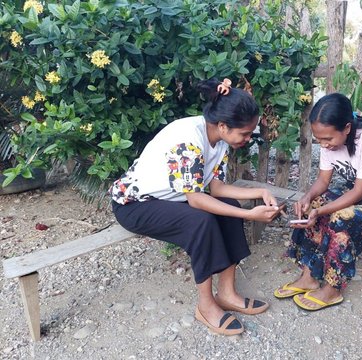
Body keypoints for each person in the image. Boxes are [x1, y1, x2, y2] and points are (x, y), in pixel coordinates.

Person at [110, 78, 282, 335]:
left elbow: (216, 189)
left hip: (171, 199)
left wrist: (261, 191)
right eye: (245, 133)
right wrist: (249, 214)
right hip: (135, 205)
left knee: (227, 204)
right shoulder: (188, 140)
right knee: (200, 221)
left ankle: (226, 293)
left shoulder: (221, 140)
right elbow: (196, 200)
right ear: (223, 125)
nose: (247, 138)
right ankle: (206, 306)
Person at [274, 93, 362, 311]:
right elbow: (323, 180)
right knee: (314, 205)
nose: (323, 144)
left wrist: (321, 210)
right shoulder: (328, 142)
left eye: (328, 139)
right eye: (319, 139)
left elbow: (358, 192)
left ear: (347, 128)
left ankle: (333, 289)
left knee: (343, 217)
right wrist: (308, 198)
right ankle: (309, 276)